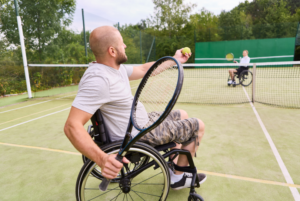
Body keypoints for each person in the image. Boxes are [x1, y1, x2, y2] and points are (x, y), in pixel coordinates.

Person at [64, 26, 206, 190]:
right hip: (137, 134)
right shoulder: (99, 79)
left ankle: (173, 168)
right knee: (198, 126)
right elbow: (71, 126)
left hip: (139, 123)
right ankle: (179, 177)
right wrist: (102, 159)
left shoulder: (114, 68)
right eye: (122, 43)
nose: (125, 46)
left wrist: (175, 58)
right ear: (112, 51)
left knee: (182, 114)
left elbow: (145, 69)